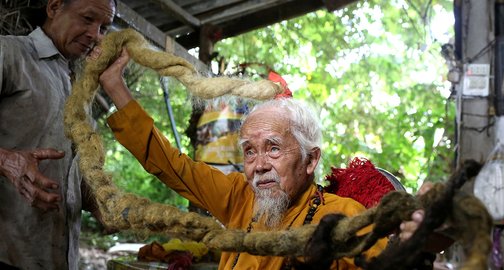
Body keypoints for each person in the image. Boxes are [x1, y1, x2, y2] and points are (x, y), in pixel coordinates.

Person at [96, 48, 391, 269]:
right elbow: (173, 166)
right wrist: (114, 86)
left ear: (311, 160)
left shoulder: (345, 217)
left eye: (273, 148)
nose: (259, 165)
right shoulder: (240, 196)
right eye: (250, 151)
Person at [0, 0, 116, 269]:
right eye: (88, 19)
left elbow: (70, 167)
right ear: (53, 8)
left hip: (58, 259)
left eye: (103, 27)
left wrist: (98, 204)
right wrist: (6, 161)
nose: (96, 35)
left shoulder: (76, 84)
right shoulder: (9, 52)